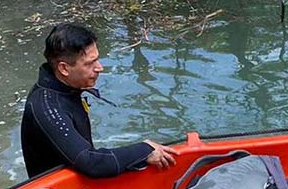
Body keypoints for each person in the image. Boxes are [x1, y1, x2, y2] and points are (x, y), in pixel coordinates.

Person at [20, 23, 178, 179]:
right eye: (89, 63)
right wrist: (144, 150)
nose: (99, 67)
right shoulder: (45, 106)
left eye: (97, 59)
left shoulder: (65, 87)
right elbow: (90, 162)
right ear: (64, 69)